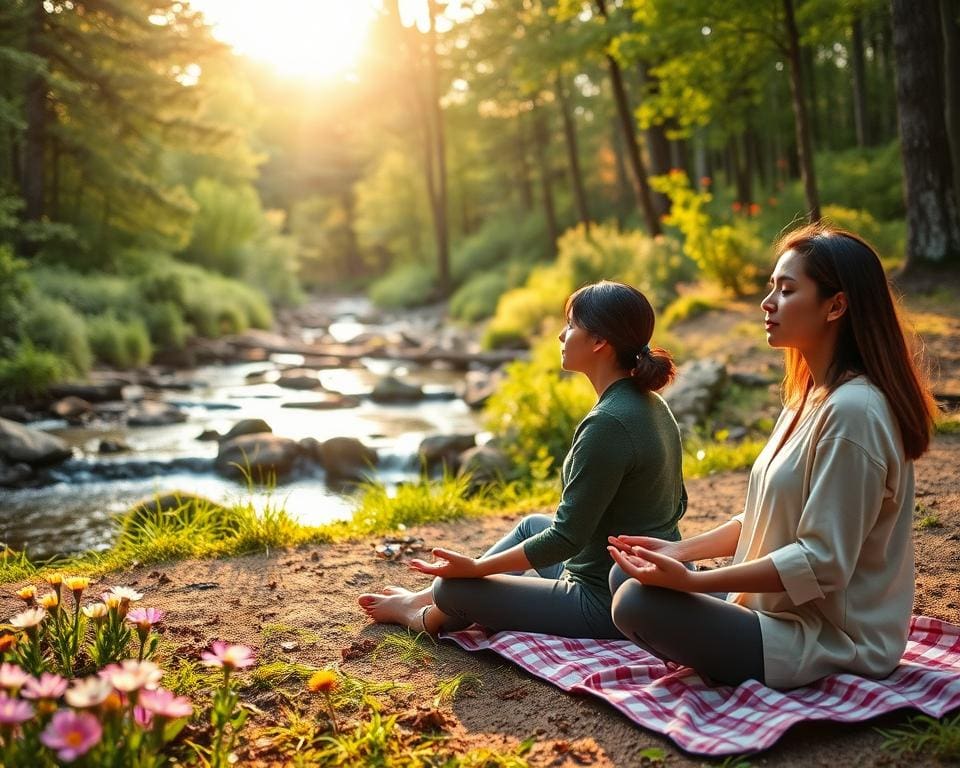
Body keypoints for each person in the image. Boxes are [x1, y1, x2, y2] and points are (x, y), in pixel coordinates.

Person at [608, 224, 939, 689]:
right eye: (772, 289)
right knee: (624, 580)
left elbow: (822, 563)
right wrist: (678, 552)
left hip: (831, 638)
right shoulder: (808, 396)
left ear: (836, 305)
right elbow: (765, 515)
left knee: (636, 604)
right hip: (771, 609)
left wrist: (692, 583)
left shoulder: (855, 412)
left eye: (786, 290)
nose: (768, 303)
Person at [359, 280, 687, 639]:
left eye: (571, 326)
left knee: (453, 589)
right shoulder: (654, 405)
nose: (562, 336)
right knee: (531, 524)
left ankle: (425, 617)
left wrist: (477, 569)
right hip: (640, 578)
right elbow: (678, 504)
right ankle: (422, 598)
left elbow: (566, 539)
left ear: (598, 342)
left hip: (605, 600)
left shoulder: (607, 423)